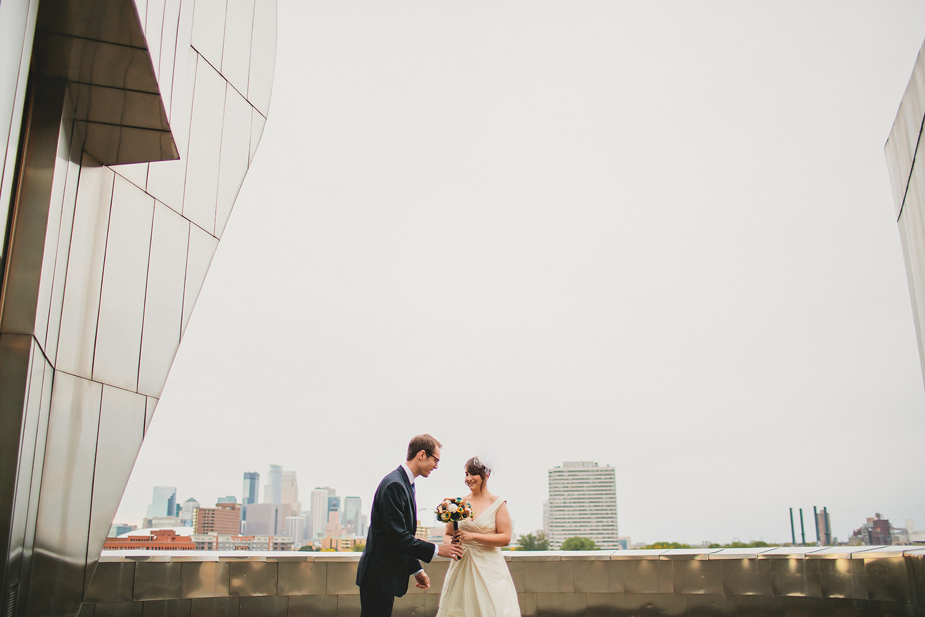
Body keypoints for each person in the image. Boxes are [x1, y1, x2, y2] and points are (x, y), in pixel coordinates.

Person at [356, 434, 463, 617]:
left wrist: (416, 569)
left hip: (382, 577)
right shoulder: (395, 485)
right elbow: (398, 537)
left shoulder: (405, 483)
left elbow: (403, 534)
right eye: (435, 460)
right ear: (422, 454)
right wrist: (438, 550)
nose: (436, 466)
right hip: (378, 577)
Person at [436, 457, 521, 617]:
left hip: (489, 568)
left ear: (486, 475)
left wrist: (472, 536)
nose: (468, 479)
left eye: (473, 474)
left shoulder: (497, 503)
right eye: (466, 474)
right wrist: (452, 545)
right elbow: (447, 535)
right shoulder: (457, 504)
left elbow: (505, 538)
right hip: (462, 567)